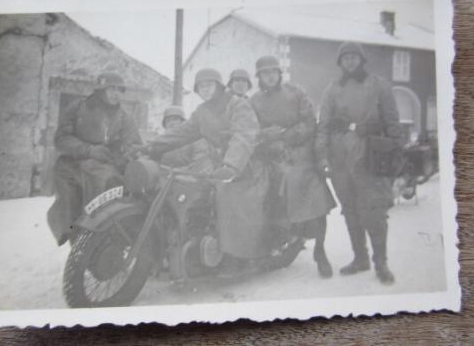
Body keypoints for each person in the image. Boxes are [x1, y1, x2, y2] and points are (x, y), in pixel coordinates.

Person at [146, 68, 270, 267]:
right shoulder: (202, 112)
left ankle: (237, 256)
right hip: (220, 166)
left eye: (208, 85)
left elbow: (243, 136)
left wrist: (231, 165)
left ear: (219, 86)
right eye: (200, 87)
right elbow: (180, 133)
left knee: (226, 196)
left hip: (247, 168)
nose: (204, 90)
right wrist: (151, 146)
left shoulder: (238, 105)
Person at [316, 42, 402, 285]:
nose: (350, 61)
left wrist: (396, 151)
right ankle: (360, 258)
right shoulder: (332, 90)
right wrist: (322, 157)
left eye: (354, 57)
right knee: (351, 211)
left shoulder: (379, 86)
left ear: (361, 60)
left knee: (374, 211)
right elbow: (322, 127)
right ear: (340, 62)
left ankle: (380, 262)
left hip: (371, 157)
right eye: (346, 58)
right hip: (340, 159)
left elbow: (393, 123)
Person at [250, 55, 336, 278]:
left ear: (279, 73)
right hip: (273, 155)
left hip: (302, 153)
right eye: (264, 73)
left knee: (315, 201)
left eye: (273, 72)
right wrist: (268, 138)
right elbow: (252, 131)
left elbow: (309, 123)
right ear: (259, 77)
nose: (270, 76)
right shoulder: (255, 101)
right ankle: (280, 242)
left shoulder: (296, 92)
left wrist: (287, 136)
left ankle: (320, 250)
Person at [47, 72, 142, 245]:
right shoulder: (78, 107)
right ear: (101, 89)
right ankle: (76, 241)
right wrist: (88, 150)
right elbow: (61, 139)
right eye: (111, 89)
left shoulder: (124, 117)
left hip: (104, 165)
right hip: (72, 163)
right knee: (69, 207)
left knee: (108, 187)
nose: (115, 94)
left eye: (119, 90)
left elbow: (133, 144)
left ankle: (102, 239)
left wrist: (124, 156)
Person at [159, 105, 215, 174]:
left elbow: (200, 164)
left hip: (189, 179)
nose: (171, 123)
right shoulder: (161, 144)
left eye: (175, 119)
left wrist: (176, 171)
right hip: (165, 179)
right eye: (168, 121)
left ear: (183, 122)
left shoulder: (196, 140)